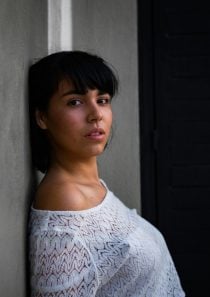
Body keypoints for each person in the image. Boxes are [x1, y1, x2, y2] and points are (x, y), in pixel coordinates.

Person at [27, 51, 185, 296]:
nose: (96, 114)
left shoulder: (93, 188)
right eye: (75, 102)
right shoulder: (66, 200)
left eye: (102, 100)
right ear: (42, 117)